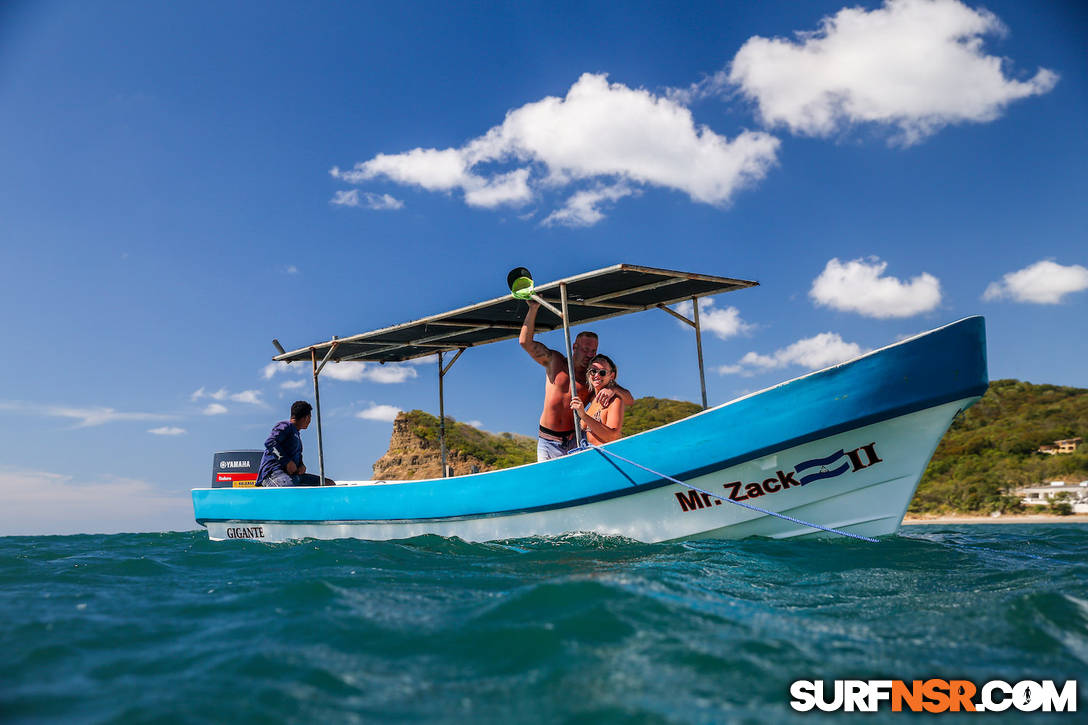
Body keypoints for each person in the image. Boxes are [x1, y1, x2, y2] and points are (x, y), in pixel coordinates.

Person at [520, 300, 633, 460]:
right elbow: (525, 342)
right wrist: (533, 308)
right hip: (548, 441)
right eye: (586, 349)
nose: (589, 354)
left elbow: (629, 399)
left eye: (593, 351)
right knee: (550, 481)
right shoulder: (556, 362)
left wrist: (613, 389)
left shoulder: (593, 377)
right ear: (574, 346)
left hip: (575, 440)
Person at [256, 400, 333, 486]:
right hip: (274, 473)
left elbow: (298, 456)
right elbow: (270, 442)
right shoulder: (286, 426)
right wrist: (287, 462)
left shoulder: (296, 435)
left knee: (328, 483)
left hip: (292, 476)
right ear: (307, 417)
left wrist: (301, 465)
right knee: (290, 490)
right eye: (310, 417)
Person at [570, 354, 626, 445]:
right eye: (593, 371)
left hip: (608, 456)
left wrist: (584, 416)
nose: (597, 375)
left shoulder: (615, 401)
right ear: (588, 374)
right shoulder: (591, 403)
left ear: (611, 376)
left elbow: (613, 437)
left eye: (602, 372)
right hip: (590, 456)